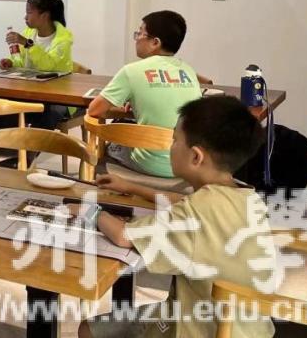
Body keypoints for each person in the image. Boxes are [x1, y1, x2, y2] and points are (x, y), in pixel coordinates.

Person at [80, 96, 275, 338]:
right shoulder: (245, 196)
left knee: (88, 330)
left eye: (175, 140)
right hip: (250, 328)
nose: (170, 147)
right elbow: (184, 202)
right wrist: (131, 187)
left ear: (196, 157)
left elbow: (123, 236)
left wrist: (89, 211)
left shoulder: (196, 212)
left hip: (202, 328)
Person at [88, 10, 201, 178]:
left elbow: (94, 110)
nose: (136, 38)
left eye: (140, 33)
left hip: (148, 163)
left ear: (155, 42)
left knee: (109, 145)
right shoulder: (188, 71)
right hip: (186, 165)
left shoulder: (131, 71)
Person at [0, 0, 75, 130]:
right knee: (8, 110)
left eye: (29, 13)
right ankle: (10, 143)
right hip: (32, 93)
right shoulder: (29, 33)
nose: (25, 17)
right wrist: (11, 63)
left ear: (44, 15)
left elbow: (48, 67)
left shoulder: (63, 39)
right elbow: (22, 63)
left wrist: (27, 44)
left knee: (46, 113)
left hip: (59, 97)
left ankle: (33, 144)